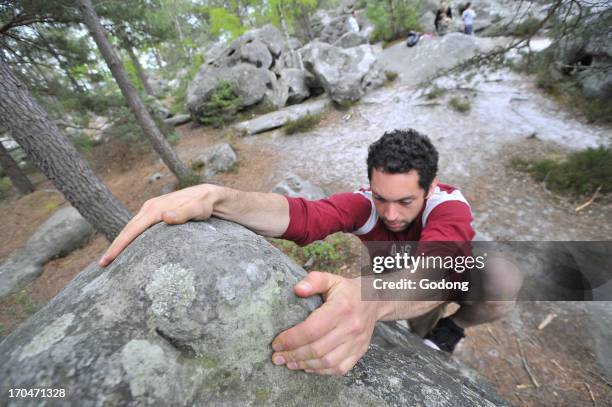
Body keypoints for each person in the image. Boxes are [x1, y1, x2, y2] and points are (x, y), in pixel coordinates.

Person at [99, 129, 522, 375]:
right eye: (380, 198)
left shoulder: (448, 206)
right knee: (412, 334)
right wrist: (219, 197)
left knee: (501, 283)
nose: (391, 214)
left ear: (429, 188)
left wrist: (368, 300)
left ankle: (450, 331)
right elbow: (304, 216)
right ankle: (422, 334)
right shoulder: (363, 204)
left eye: (406, 202)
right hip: (395, 282)